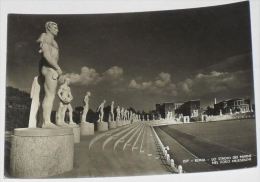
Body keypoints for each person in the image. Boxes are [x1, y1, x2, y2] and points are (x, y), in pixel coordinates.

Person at [37, 21, 62, 128]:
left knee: (48, 95)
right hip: (49, 69)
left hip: (50, 69)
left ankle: (44, 121)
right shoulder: (46, 38)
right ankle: (46, 122)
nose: (57, 29)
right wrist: (57, 68)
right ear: (48, 28)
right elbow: (46, 56)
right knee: (50, 95)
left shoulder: (53, 41)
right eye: (55, 27)